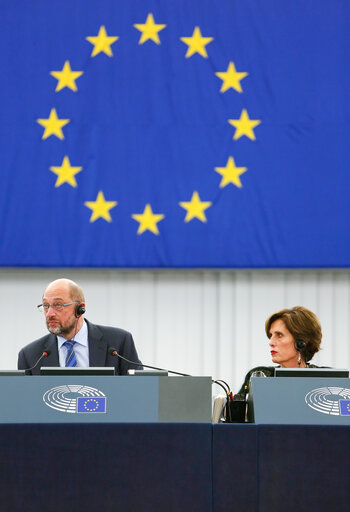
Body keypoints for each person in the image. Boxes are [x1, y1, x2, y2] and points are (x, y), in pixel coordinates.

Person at [17, 278, 142, 375]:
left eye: (58, 305)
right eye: (45, 306)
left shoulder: (118, 342)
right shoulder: (30, 355)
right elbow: (25, 402)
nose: (50, 314)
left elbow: (138, 390)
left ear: (80, 309)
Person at [237, 305, 322, 397]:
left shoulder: (328, 378)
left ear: (302, 342)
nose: (271, 342)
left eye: (279, 335)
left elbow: (340, 409)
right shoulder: (260, 375)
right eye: (271, 335)